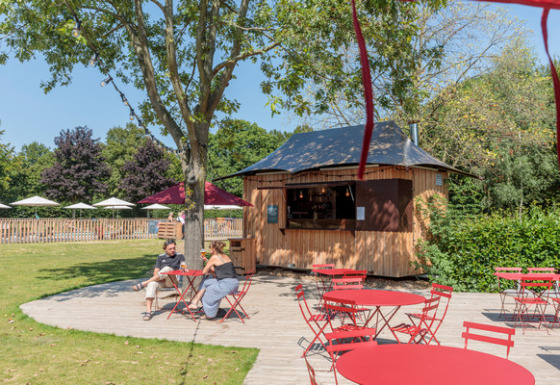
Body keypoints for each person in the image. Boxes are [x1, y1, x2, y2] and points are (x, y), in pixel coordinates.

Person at [132, 239, 186, 321]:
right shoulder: (160, 257)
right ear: (165, 249)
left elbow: (184, 268)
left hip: (173, 281)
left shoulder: (180, 256)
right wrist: (160, 278)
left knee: (167, 268)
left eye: (174, 248)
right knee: (152, 284)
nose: (173, 250)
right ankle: (148, 312)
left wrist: (183, 269)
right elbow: (155, 273)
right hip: (161, 280)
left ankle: (144, 283)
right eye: (170, 249)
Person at [188, 240, 239, 319]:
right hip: (234, 283)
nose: (209, 250)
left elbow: (204, 271)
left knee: (208, 289)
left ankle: (209, 314)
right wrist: (206, 260)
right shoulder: (225, 256)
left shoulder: (214, 257)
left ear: (213, 249)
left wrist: (207, 263)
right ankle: (195, 302)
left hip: (226, 285)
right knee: (206, 282)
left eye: (210, 248)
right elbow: (215, 270)